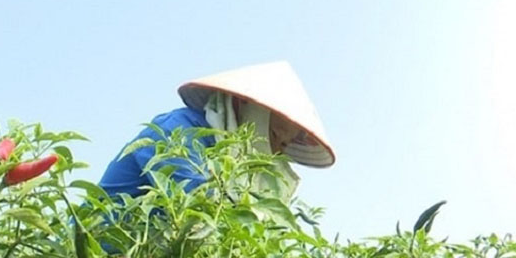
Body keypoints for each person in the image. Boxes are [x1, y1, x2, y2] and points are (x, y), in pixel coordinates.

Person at [97, 61, 336, 203]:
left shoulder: (229, 163)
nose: (274, 152)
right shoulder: (181, 130)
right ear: (247, 108)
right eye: (273, 136)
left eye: (283, 145)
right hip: (93, 256)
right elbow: (199, 205)